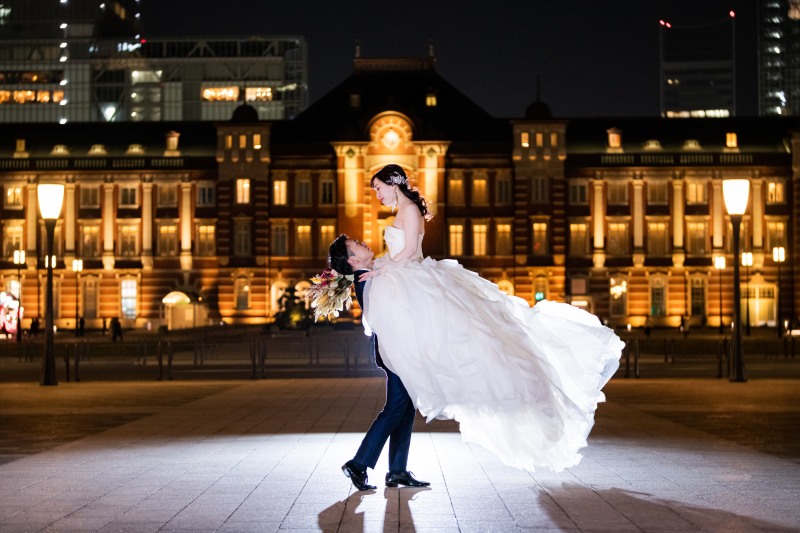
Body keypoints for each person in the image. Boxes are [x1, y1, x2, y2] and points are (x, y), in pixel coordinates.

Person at [357, 164, 623, 472]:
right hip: (405, 281)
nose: (376, 194)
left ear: (393, 183)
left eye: (378, 187)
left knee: (455, 338)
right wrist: (383, 266)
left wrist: (384, 267)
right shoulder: (402, 211)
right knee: (414, 366)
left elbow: (411, 251)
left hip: (413, 278)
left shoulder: (410, 210)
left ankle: (387, 461)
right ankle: (396, 465)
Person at [326, 234, 429, 490]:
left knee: (404, 408)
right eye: (357, 245)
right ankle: (358, 464)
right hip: (396, 353)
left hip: (398, 351)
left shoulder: (371, 275)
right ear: (352, 259)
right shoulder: (367, 281)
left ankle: (397, 470)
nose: (364, 243)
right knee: (396, 408)